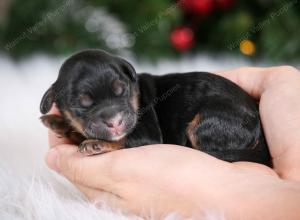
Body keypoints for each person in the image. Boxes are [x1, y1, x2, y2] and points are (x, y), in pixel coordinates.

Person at [45, 66, 300, 220]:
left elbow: (146, 140)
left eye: (120, 93)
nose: (114, 117)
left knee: (205, 130)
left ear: (129, 79)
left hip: (223, 117)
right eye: (87, 104)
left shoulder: (146, 103)